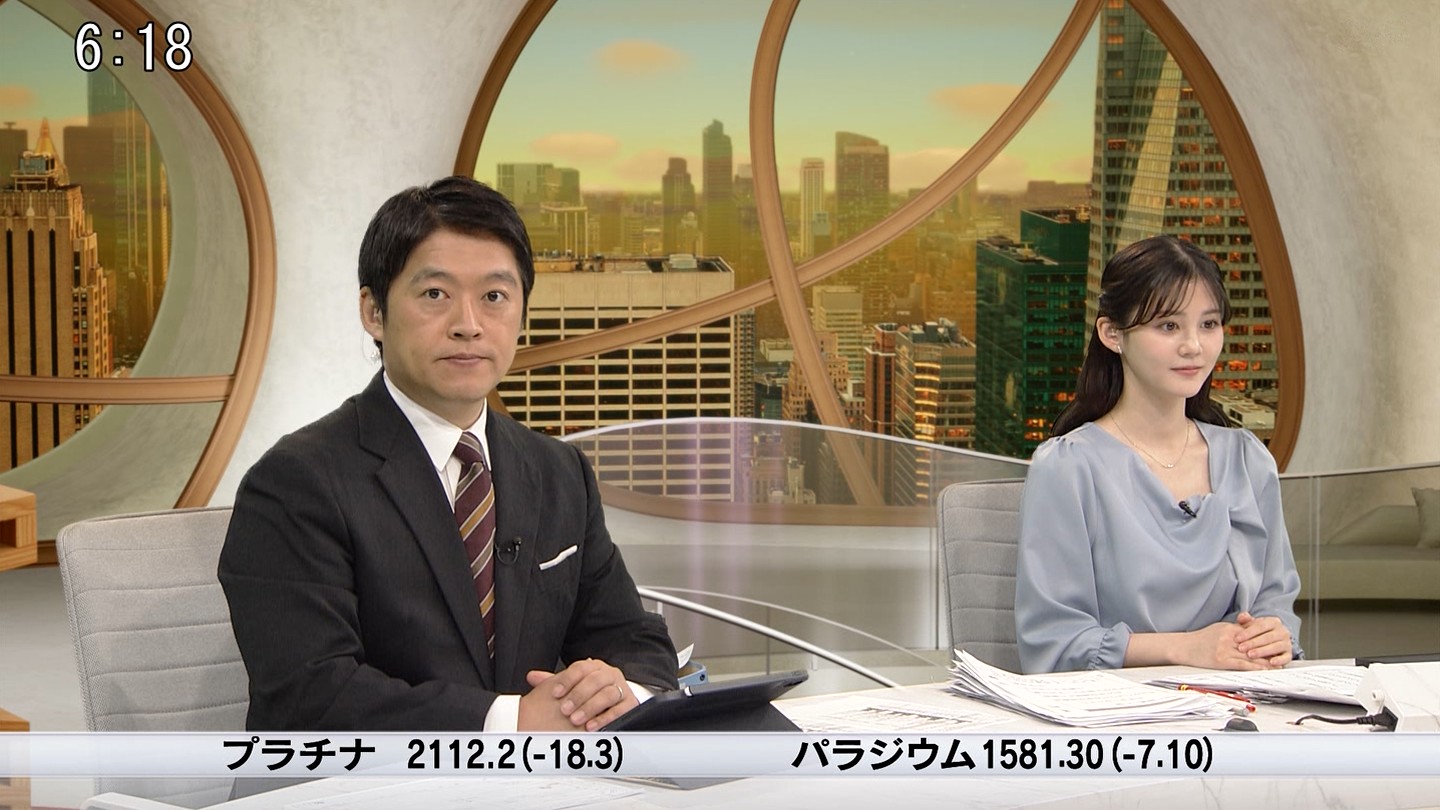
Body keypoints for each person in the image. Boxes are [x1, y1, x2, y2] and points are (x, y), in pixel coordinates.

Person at [218, 176, 678, 731]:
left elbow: (633, 638)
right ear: (373, 311)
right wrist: (511, 722)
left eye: (494, 297)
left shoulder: (559, 472)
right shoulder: (297, 482)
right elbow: (311, 695)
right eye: (435, 294)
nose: (468, 325)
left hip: (542, 775)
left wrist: (619, 691)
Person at [1014, 234, 1302, 674]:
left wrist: (1274, 636)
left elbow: (1274, 604)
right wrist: (1186, 649)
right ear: (1112, 334)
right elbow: (1054, 643)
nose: (1194, 346)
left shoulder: (1248, 461)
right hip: (1117, 709)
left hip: (1240, 699)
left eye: (1209, 324)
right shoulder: (1068, 467)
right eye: (1168, 326)